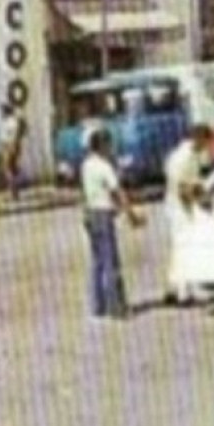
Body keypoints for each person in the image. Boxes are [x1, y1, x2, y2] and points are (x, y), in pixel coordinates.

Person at [81, 127, 144, 320]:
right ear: (102, 145)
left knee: (97, 261)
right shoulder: (104, 166)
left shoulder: (87, 165)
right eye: (108, 143)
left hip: (90, 212)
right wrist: (131, 213)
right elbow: (117, 191)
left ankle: (97, 306)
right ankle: (116, 306)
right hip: (104, 213)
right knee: (111, 261)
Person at [162, 124, 213, 305]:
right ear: (200, 139)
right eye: (207, 143)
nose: (208, 147)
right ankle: (183, 293)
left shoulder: (190, 155)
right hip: (179, 207)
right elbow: (182, 189)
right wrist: (201, 204)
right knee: (185, 247)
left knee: (180, 247)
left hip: (179, 205)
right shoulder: (183, 158)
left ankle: (174, 287)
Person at [0, 103, 27, 199]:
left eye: (2, 111)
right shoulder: (8, 121)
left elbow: (14, 134)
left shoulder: (11, 122)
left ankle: (14, 191)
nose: (1, 113)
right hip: (9, 145)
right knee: (12, 169)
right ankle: (14, 191)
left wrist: (12, 146)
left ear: (6, 111)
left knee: (8, 168)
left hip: (10, 145)